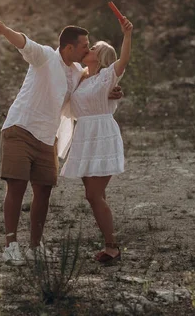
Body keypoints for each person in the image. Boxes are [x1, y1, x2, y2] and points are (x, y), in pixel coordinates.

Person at [0, 20, 122, 265]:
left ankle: (35, 247)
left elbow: (86, 96)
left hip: (47, 137)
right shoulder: (46, 57)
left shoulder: (75, 74)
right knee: (16, 188)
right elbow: (24, 42)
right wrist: (4, 30)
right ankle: (11, 246)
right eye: (84, 46)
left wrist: (110, 92)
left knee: (43, 192)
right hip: (21, 128)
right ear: (68, 48)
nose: (87, 50)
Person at [60, 16, 134, 264]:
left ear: (100, 56)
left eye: (92, 48)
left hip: (102, 134)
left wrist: (127, 34)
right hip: (84, 137)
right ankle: (110, 243)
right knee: (92, 195)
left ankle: (112, 246)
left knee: (94, 194)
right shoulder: (81, 77)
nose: (87, 50)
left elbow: (123, 60)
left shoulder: (107, 76)